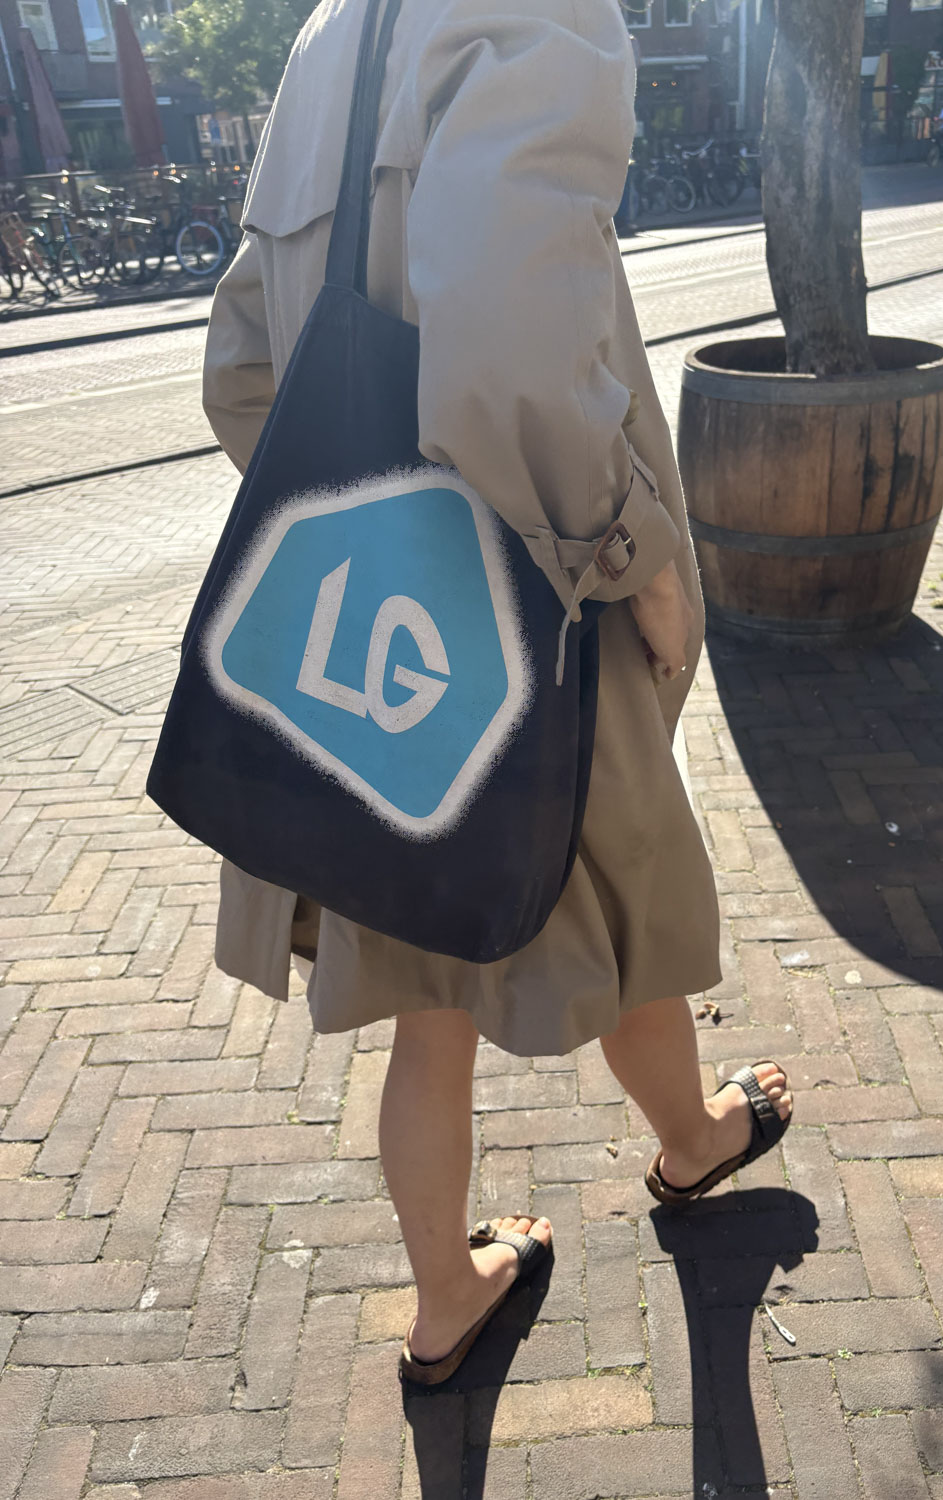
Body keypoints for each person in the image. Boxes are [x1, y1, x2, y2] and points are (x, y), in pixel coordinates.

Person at [201, 0, 794, 1386]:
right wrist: (639, 561)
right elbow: (517, 345)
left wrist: (376, 518)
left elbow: (240, 373)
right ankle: (695, 1142)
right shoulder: (536, 15)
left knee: (426, 982)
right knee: (609, 896)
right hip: (544, 578)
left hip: (373, 637)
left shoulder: (326, 40)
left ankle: (445, 1298)